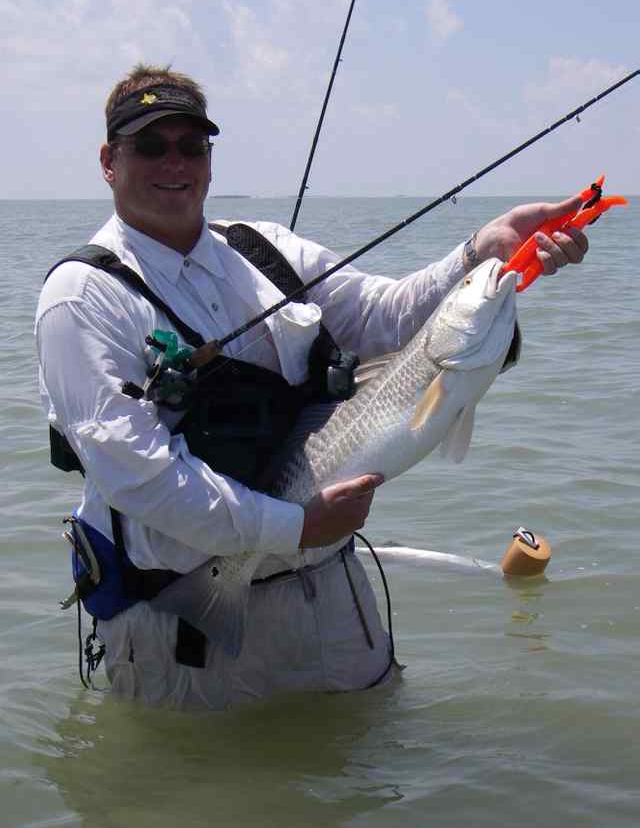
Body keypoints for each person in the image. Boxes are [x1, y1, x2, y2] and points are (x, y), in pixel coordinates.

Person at [35, 64, 588, 710]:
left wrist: (479, 255)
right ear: (109, 160)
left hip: (329, 595)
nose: (174, 162)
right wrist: (294, 524)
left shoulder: (263, 248)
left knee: (365, 790)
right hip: (183, 619)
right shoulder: (80, 299)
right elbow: (143, 478)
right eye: (150, 145)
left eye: (192, 144)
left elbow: (386, 318)